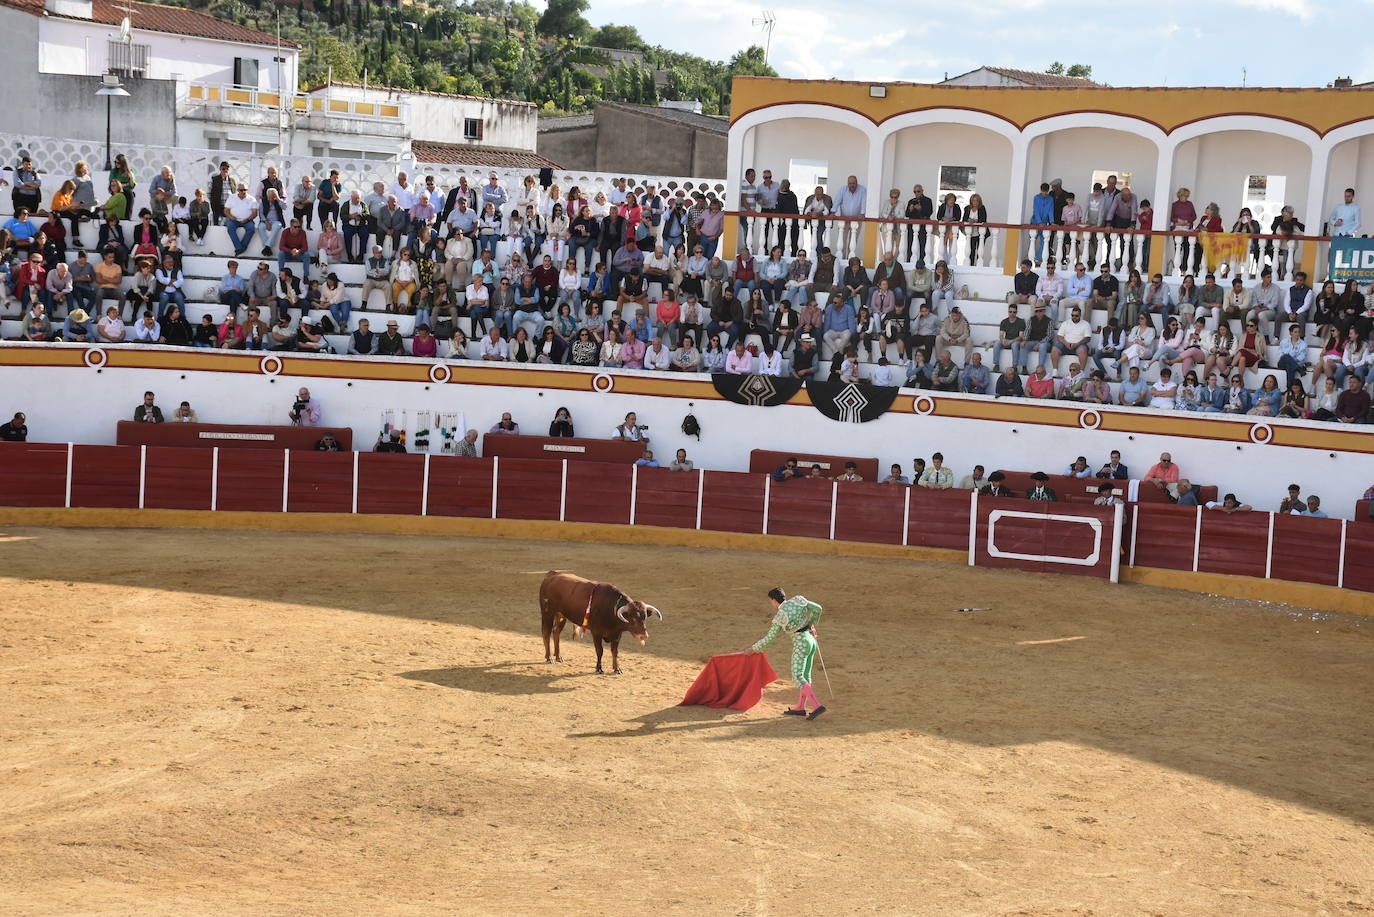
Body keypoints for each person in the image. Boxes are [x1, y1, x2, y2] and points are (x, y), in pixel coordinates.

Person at [745, 587, 826, 719]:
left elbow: (769, 638)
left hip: (801, 643)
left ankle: (817, 705)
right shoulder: (797, 600)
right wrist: (811, 623)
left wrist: (753, 649)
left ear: (773, 600)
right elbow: (818, 608)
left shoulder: (780, 616)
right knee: (805, 675)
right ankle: (800, 707)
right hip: (811, 641)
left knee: (797, 676)